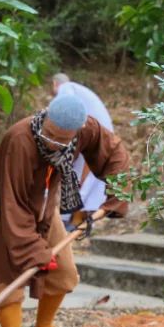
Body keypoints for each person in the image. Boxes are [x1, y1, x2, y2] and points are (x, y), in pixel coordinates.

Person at [0, 94, 129, 327]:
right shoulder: (20, 140)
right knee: (8, 278)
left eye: (62, 139)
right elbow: (15, 205)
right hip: (5, 205)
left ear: (78, 130)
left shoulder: (87, 129)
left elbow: (114, 154)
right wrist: (35, 251)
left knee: (64, 272)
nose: (52, 142)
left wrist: (115, 195)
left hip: (45, 203)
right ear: (45, 117)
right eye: (49, 135)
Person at [51, 74, 115, 232]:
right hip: (99, 133)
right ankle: (70, 221)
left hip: (92, 133)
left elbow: (65, 109)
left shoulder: (66, 88)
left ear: (54, 84)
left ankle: (72, 223)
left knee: (85, 180)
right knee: (84, 179)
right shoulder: (81, 91)